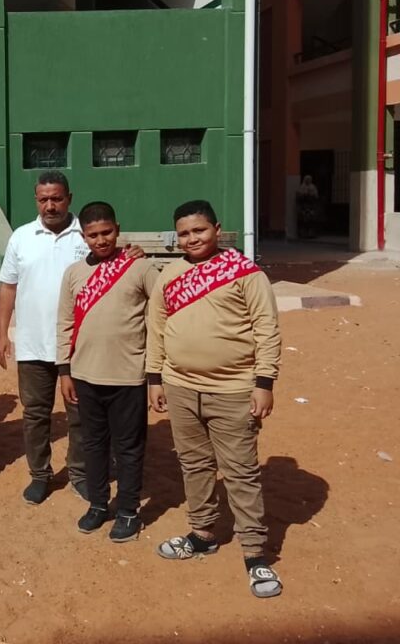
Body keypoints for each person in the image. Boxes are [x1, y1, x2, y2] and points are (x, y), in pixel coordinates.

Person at [146, 200, 283, 599]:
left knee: (240, 471)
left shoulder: (245, 272)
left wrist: (264, 382)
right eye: (184, 233)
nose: (192, 239)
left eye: (199, 230)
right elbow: (156, 327)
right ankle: (202, 533)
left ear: (217, 229)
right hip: (179, 386)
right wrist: (154, 379)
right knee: (194, 465)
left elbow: (266, 327)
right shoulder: (169, 275)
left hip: (234, 390)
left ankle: (255, 553)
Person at [56, 202, 158, 542]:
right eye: (93, 235)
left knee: (128, 447)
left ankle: (128, 510)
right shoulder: (73, 273)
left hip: (128, 375)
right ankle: (98, 504)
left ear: (118, 229)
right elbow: (64, 323)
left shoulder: (139, 267)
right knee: (93, 444)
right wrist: (64, 370)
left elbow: (163, 307)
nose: (101, 240)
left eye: (107, 232)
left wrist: (155, 370)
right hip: (84, 375)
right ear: (83, 236)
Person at [0, 171, 91, 505]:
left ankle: (79, 474)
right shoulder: (21, 237)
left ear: (69, 198)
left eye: (57, 199)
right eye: (44, 199)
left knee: (80, 414)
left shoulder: (86, 236)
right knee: (35, 414)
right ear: (36, 200)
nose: (50, 206)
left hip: (78, 345)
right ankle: (40, 475)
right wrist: (2, 334)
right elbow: (8, 287)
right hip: (33, 344)